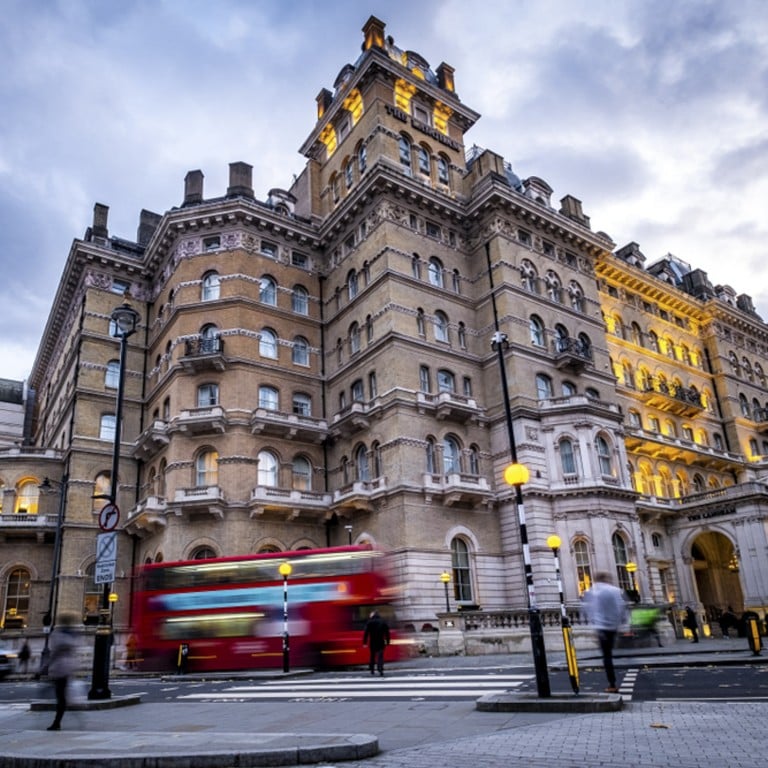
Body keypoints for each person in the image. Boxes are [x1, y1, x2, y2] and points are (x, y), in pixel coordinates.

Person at [582, 572, 629, 693]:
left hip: (602, 628)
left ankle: (612, 684)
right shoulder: (616, 590)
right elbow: (623, 607)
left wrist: (593, 625)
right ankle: (613, 682)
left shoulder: (592, 591)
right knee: (609, 654)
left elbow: (589, 609)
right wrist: (624, 625)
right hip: (613, 627)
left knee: (606, 656)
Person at [46, 613, 79, 731]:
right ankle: (60, 719)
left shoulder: (58, 634)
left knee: (60, 696)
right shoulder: (72, 634)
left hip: (58, 668)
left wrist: (44, 667)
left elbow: (54, 653)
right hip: (68, 667)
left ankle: (57, 722)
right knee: (62, 695)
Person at [362, 610, 390, 676]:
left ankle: (372, 670)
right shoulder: (383, 622)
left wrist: (365, 643)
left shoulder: (369, 622)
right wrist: (388, 641)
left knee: (372, 656)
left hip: (373, 641)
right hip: (380, 641)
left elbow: (366, 633)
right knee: (380, 656)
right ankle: (380, 669)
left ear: (373, 615)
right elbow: (387, 633)